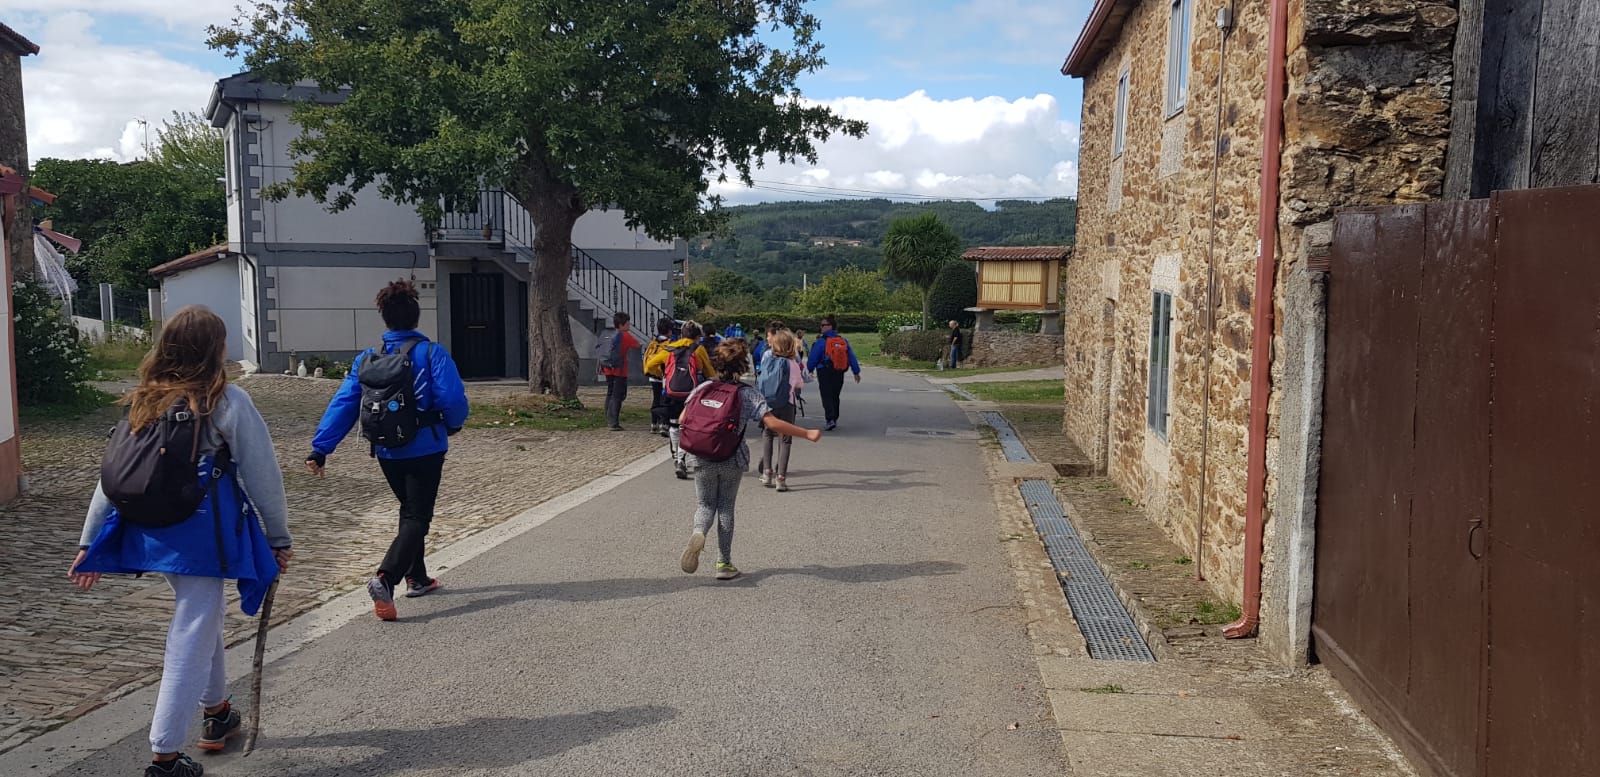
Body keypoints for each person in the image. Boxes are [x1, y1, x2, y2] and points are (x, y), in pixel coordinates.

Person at [69, 306, 292, 777]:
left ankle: (217, 714)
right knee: (191, 630)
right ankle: (164, 755)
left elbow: (109, 479)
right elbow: (263, 475)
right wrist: (278, 536)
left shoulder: (144, 401)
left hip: (154, 532)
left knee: (201, 613)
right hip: (203, 536)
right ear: (215, 349)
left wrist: (89, 541)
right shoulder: (226, 402)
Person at [306, 280, 469, 621]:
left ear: (384, 319)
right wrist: (453, 424)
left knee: (409, 508)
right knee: (417, 516)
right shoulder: (431, 353)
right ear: (416, 316)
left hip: (386, 451)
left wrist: (320, 448)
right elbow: (452, 399)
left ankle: (418, 577)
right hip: (425, 447)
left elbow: (344, 404)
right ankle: (386, 577)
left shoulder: (367, 359)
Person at [679, 338, 821, 580]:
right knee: (725, 507)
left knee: (704, 505)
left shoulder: (702, 389)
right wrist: (806, 433)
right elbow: (772, 423)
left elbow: (683, 419)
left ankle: (698, 531)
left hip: (702, 458)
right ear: (742, 366)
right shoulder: (747, 394)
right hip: (732, 458)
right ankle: (724, 563)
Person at [645, 320, 717, 479]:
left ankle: (676, 458)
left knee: (673, 425)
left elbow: (649, 365)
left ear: (681, 334)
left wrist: (663, 373)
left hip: (671, 392)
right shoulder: (698, 350)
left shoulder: (669, 349)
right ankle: (682, 459)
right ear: (697, 337)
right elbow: (710, 372)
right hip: (691, 394)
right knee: (687, 426)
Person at [757, 329, 807, 492]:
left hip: (769, 404)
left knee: (767, 434)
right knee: (785, 439)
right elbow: (800, 384)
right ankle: (781, 478)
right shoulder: (792, 364)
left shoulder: (768, 361)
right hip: (787, 404)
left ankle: (767, 472)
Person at [805, 314, 861, 431]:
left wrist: (809, 369)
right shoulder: (843, 340)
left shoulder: (821, 341)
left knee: (826, 395)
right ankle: (834, 417)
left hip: (824, 371)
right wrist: (856, 372)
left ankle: (830, 419)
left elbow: (813, 357)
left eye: (823, 325)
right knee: (835, 395)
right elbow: (851, 356)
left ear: (830, 326)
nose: (821, 327)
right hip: (839, 371)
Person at [598, 311, 643, 431]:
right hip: (620, 370)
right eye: (628, 323)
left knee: (610, 392)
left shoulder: (608, 334)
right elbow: (637, 345)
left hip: (607, 368)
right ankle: (614, 422)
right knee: (618, 396)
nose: (629, 326)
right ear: (622, 325)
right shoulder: (625, 336)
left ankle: (608, 417)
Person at [644, 316, 675, 436]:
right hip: (664, 376)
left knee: (655, 399)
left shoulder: (653, 342)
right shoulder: (669, 344)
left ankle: (653, 424)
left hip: (652, 375)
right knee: (664, 401)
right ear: (669, 331)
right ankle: (664, 424)